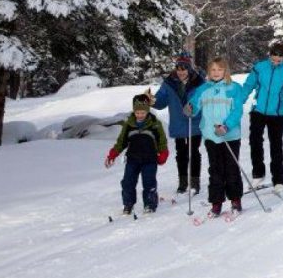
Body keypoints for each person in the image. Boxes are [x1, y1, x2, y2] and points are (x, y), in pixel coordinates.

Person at [189, 57, 251, 217]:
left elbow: (237, 111)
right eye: (213, 70)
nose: (216, 73)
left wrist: (226, 126)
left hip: (230, 135)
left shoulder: (234, 88)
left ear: (225, 71)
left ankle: (235, 200)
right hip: (211, 136)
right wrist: (189, 108)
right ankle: (216, 203)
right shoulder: (202, 89)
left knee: (231, 168)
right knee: (215, 170)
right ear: (209, 72)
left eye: (219, 70)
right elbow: (194, 106)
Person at [242, 42, 283, 195]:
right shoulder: (260, 68)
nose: (276, 62)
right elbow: (248, 85)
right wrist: (240, 99)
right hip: (258, 110)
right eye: (274, 59)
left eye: (279, 60)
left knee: (276, 146)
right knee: (255, 142)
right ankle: (258, 174)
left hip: (277, 113)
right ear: (270, 55)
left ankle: (278, 179)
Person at [105, 94, 169, 215]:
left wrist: (163, 153)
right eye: (137, 112)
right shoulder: (128, 124)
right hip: (132, 159)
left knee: (149, 182)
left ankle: (150, 204)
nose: (140, 115)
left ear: (147, 110)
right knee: (127, 182)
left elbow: (162, 141)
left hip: (150, 159)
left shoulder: (155, 124)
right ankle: (128, 204)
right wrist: (112, 155)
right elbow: (121, 142)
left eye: (142, 112)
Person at [154, 52, 204, 195]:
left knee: (193, 152)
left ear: (189, 69)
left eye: (184, 69)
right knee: (181, 153)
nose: (181, 72)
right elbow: (161, 101)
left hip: (194, 122)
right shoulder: (168, 83)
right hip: (178, 123)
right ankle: (183, 182)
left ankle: (195, 182)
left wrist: (194, 108)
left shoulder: (199, 82)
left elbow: (204, 100)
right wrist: (153, 101)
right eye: (179, 69)